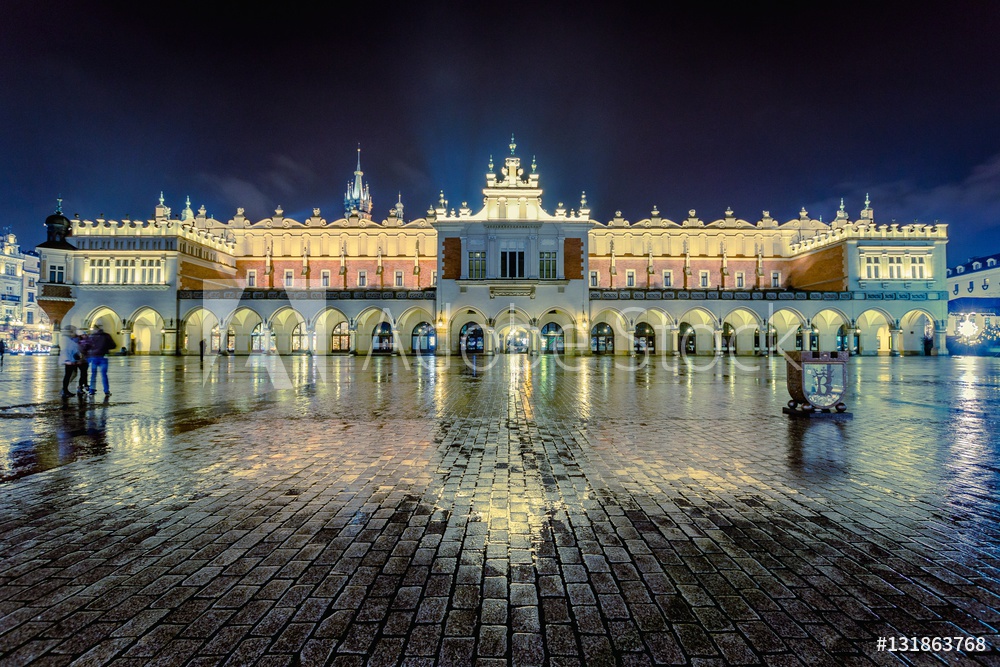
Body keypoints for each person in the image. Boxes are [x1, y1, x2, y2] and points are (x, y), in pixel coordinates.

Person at [87, 324, 115, 398]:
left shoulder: (91, 336)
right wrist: (105, 347)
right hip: (103, 357)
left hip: (94, 357)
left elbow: (87, 346)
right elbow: (113, 345)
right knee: (104, 375)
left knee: (93, 374)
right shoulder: (106, 336)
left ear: (95, 329)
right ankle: (106, 391)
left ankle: (91, 390)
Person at [59, 326, 81, 397]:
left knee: (73, 374)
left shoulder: (70, 339)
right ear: (70, 331)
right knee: (68, 375)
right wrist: (67, 360)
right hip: (69, 360)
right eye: (74, 331)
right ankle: (64, 390)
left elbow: (74, 349)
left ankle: (65, 390)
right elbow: (64, 350)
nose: (75, 332)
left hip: (72, 359)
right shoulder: (65, 339)